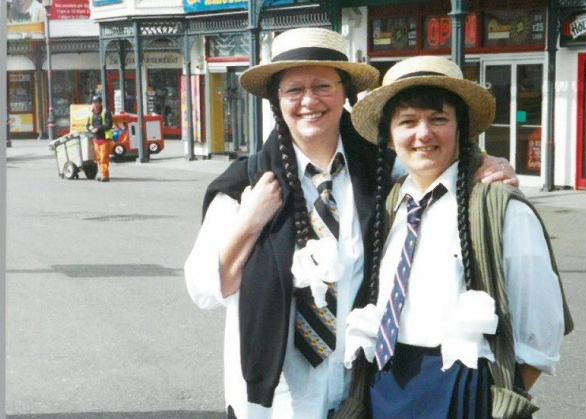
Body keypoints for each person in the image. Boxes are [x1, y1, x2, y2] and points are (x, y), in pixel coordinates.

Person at [184, 28, 518, 419]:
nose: (309, 101)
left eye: (323, 85)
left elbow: (432, 155)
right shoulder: (246, 184)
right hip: (275, 398)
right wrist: (249, 222)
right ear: (277, 99)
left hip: (356, 390)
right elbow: (206, 290)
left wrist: (487, 164)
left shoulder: (380, 171)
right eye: (294, 90)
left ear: (345, 92)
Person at [346, 55, 574, 419]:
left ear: (462, 129)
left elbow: (541, 331)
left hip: (461, 391)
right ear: (389, 136)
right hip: (386, 385)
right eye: (407, 121)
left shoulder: (501, 208)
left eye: (439, 119)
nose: (423, 134)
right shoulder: (390, 204)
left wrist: (490, 399)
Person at [86, 95, 114, 182]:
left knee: (103, 158)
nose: (95, 105)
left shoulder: (106, 112)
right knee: (98, 159)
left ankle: (105, 176)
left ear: (100, 103)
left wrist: (98, 129)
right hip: (96, 139)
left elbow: (109, 125)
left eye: (97, 103)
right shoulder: (91, 113)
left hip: (105, 139)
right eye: (94, 103)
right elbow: (87, 125)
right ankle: (102, 174)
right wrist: (90, 128)